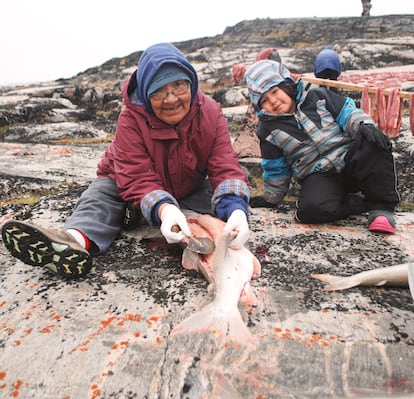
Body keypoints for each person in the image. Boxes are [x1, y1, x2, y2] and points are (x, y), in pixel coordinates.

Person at [1, 43, 250, 279]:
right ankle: (72, 241)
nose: (171, 99)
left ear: (192, 84)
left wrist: (237, 209)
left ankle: (137, 212)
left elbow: (224, 165)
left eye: (179, 87)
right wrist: (165, 209)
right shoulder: (131, 119)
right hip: (124, 180)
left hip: (188, 185)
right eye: (159, 91)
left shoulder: (211, 112)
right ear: (145, 93)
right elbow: (135, 176)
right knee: (102, 197)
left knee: (221, 202)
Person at [245, 59, 399, 234]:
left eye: (274, 91)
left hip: (349, 159)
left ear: (287, 84)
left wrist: (364, 125)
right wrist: (271, 199)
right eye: (264, 100)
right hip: (318, 175)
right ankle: (359, 202)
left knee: (373, 141)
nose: (273, 101)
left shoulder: (318, 96)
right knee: (310, 211)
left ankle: (382, 210)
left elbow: (348, 113)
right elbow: (276, 169)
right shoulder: (267, 130)